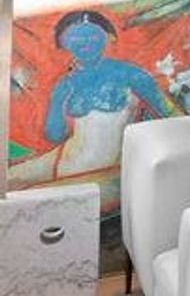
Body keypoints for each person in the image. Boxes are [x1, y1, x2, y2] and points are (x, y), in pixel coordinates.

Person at [19, 10, 175, 191]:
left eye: (92, 35)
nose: (84, 43)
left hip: (111, 172)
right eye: (75, 37)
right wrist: (58, 100)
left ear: (108, 37)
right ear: (63, 42)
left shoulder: (131, 75)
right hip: (68, 166)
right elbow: (54, 136)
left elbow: (169, 117)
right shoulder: (64, 84)